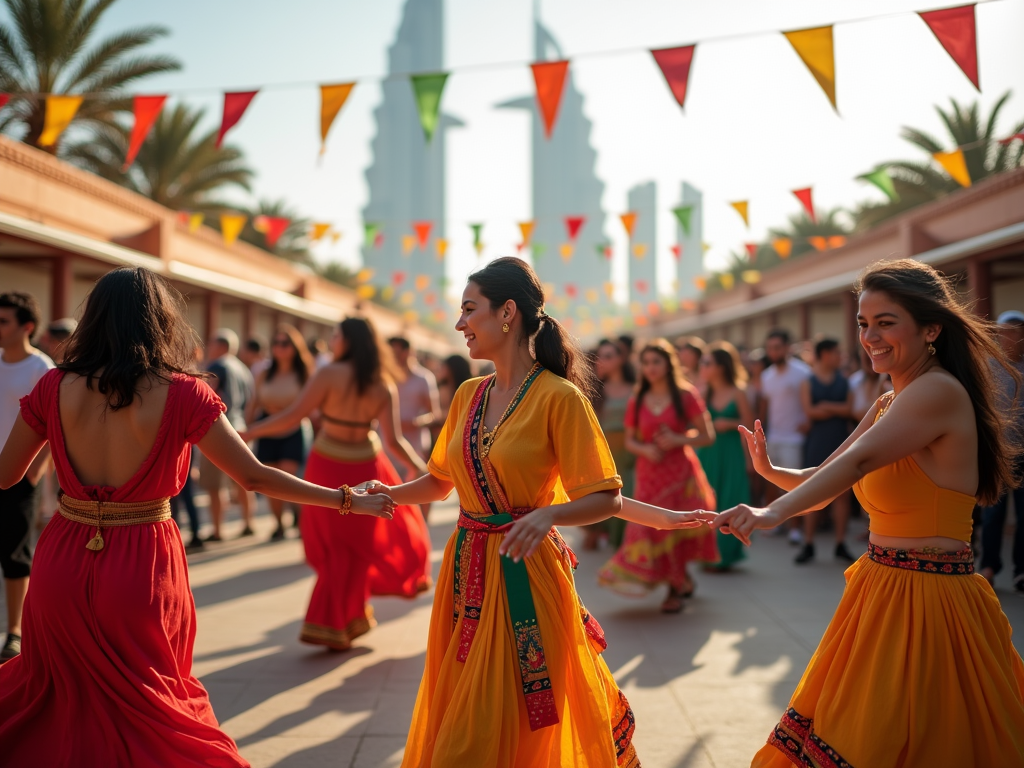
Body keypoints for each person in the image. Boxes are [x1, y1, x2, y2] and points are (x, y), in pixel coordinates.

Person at [0, 267, 395, 766]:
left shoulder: (54, 386)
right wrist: (346, 499)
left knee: (57, 700)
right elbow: (254, 477)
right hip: (142, 565)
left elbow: (6, 474)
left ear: (92, 318)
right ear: (160, 319)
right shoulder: (184, 393)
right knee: (152, 707)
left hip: (61, 561)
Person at [359, 257, 707, 768]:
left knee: (509, 726)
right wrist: (383, 493)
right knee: (463, 709)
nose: (459, 324)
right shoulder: (466, 395)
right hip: (465, 574)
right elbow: (439, 483)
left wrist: (547, 516)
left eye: (468, 310)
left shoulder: (559, 398)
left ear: (507, 313)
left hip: (526, 573)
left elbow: (603, 495)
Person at [709, 259, 1024, 766]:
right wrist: (771, 474)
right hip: (883, 592)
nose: (870, 337)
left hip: (930, 604)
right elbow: (830, 474)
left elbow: (856, 462)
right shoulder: (888, 400)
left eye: (885, 322)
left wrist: (773, 514)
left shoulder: (937, 391)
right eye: (863, 323)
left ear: (931, 329)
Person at [242, 317, 431, 651]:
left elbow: (293, 416)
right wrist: (423, 469)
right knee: (355, 548)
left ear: (349, 341)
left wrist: (250, 433)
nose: (332, 340)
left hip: (328, 466)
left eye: (336, 335)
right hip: (367, 467)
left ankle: (333, 622)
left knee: (335, 547)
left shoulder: (329, 374)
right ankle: (348, 617)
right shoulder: (381, 383)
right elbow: (395, 440)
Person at [598, 339, 718, 612]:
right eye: (646, 362)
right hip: (649, 473)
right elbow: (631, 440)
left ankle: (674, 589)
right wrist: (646, 450)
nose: (651, 368)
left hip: (679, 474)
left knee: (674, 527)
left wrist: (678, 438)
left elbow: (707, 435)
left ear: (669, 364)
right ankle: (679, 580)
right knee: (650, 528)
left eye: (656, 362)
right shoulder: (637, 398)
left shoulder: (685, 395)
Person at [0, 292, 54, 663]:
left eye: (4, 321)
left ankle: (15, 631)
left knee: (15, 552)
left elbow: (57, 425)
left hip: (21, 474)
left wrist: (36, 470)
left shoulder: (43, 369)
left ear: (27, 327)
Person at [247, 324, 315, 541]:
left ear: (294, 347)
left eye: (285, 343)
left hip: (294, 430)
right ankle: (279, 524)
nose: (279, 348)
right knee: (271, 482)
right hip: (266, 428)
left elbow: (311, 406)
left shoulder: (304, 373)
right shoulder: (265, 373)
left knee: (289, 478)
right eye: (276, 343)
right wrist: (248, 429)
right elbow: (254, 402)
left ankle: (300, 518)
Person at [794, 338, 855, 564]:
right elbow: (810, 411)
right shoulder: (808, 381)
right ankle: (808, 543)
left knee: (842, 494)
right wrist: (835, 409)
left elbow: (849, 409)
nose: (840, 357)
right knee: (813, 491)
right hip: (818, 441)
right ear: (825, 354)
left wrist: (826, 407)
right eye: (836, 352)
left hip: (840, 440)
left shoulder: (844, 380)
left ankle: (840, 543)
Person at [696, 341, 754, 571]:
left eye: (707, 363)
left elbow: (749, 424)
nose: (703, 366)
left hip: (732, 453)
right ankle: (708, 554)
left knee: (730, 498)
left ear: (721, 366)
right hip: (709, 453)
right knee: (709, 501)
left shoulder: (738, 392)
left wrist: (728, 424)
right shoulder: (703, 392)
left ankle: (726, 555)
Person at [979, 309, 1024, 591]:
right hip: (997, 453)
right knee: (992, 513)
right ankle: (989, 567)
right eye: (1005, 332)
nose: (1010, 337)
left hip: (1023, 453)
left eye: (1016, 331)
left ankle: (1021, 571)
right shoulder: (988, 367)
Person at [200, 329, 255, 540]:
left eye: (212, 344)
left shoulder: (217, 366)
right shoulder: (243, 369)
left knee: (215, 485)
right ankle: (248, 522)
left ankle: (217, 530)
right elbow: (251, 401)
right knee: (243, 480)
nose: (209, 348)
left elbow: (208, 395)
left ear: (221, 346)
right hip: (240, 428)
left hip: (219, 429)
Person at [584, 338, 637, 550]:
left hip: (630, 452)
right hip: (603, 452)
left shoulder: (636, 389)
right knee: (602, 498)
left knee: (628, 497)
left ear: (621, 359)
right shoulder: (595, 390)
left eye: (608, 356)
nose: (602, 362)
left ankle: (623, 545)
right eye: (599, 357)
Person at [760, 329, 811, 542]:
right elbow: (764, 408)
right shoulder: (766, 375)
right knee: (770, 481)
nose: (773, 351)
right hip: (773, 437)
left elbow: (808, 404)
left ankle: (795, 528)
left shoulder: (803, 372)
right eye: (770, 348)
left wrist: (808, 422)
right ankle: (775, 522)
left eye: (777, 347)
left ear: (788, 348)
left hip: (794, 439)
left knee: (794, 485)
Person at [388, 336, 442, 465]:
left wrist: (415, 423)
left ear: (407, 352)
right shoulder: (385, 375)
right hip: (387, 447)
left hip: (415, 447)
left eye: (396, 353)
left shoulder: (424, 378)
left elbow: (434, 414)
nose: (393, 358)